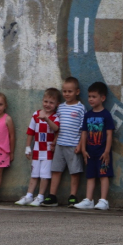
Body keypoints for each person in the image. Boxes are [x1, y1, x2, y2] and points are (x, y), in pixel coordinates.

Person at [41, 77, 86, 207]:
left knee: (75, 172)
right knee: (56, 170)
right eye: (64, 91)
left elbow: (83, 129)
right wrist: (55, 142)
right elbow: (57, 127)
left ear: (77, 92)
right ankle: (52, 196)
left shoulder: (80, 108)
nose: (66, 94)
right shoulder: (60, 107)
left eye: (70, 91)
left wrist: (80, 145)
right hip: (60, 144)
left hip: (73, 145)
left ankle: (73, 196)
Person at [15, 88, 61, 207]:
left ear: (57, 104)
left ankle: (40, 197)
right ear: (42, 101)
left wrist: (46, 118)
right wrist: (27, 147)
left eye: (51, 102)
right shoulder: (36, 114)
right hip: (36, 150)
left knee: (45, 175)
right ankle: (29, 196)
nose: (48, 105)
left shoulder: (55, 117)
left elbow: (56, 129)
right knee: (34, 174)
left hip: (48, 152)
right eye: (46, 101)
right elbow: (30, 131)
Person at [74, 82, 114, 210]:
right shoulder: (88, 115)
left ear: (102, 98)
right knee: (90, 175)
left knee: (103, 175)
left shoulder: (106, 115)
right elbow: (84, 133)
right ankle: (89, 200)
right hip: (90, 152)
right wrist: (84, 149)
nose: (90, 99)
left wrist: (107, 151)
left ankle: (103, 201)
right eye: (89, 96)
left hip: (102, 153)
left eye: (94, 96)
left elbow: (109, 135)